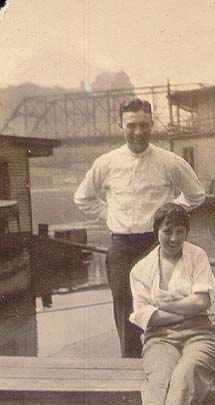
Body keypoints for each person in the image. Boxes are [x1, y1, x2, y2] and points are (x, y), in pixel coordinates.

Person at [74, 98, 205, 359]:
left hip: (158, 245)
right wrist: (110, 214)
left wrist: (167, 216)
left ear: (152, 124)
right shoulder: (107, 162)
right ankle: (130, 376)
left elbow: (196, 196)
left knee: (165, 303)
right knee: (127, 312)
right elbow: (83, 198)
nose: (138, 132)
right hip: (121, 247)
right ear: (120, 125)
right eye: (131, 125)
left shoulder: (169, 161)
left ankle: (167, 366)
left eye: (144, 125)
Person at [129, 203, 215, 405]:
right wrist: (185, 306)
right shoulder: (141, 270)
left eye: (180, 232)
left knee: (185, 372)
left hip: (202, 333)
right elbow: (147, 319)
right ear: (156, 231)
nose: (173, 239)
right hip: (159, 339)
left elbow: (203, 302)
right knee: (159, 379)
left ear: (187, 232)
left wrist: (165, 308)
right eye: (167, 231)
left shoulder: (197, 257)